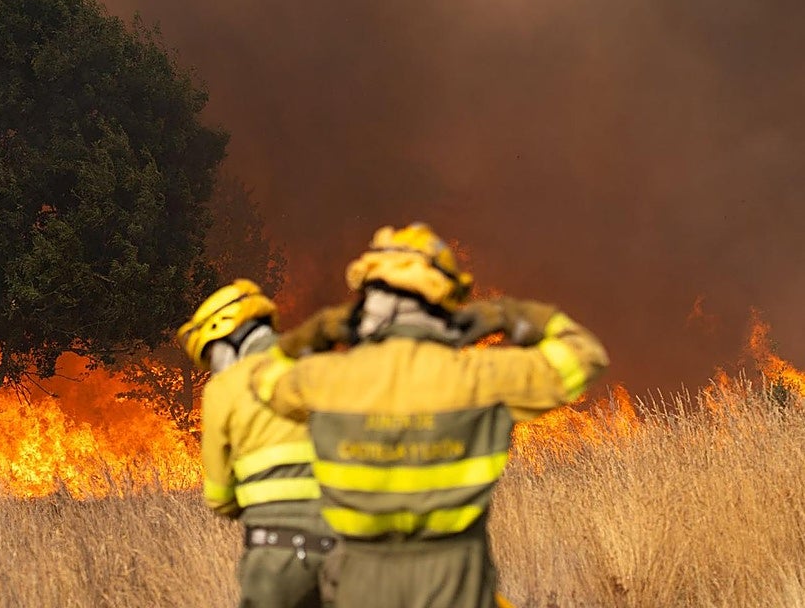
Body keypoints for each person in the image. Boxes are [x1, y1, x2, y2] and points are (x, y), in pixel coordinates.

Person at [249, 224, 609, 608]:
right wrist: (511, 315)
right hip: (454, 579)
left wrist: (317, 332)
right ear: (445, 302)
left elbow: (260, 376)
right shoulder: (481, 377)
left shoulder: (326, 381)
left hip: (360, 580)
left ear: (367, 303)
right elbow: (586, 356)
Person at [178, 279, 335, 608]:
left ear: (229, 335)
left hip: (278, 558)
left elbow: (219, 497)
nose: (214, 370)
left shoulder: (225, 388)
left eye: (212, 356)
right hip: (351, 550)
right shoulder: (321, 365)